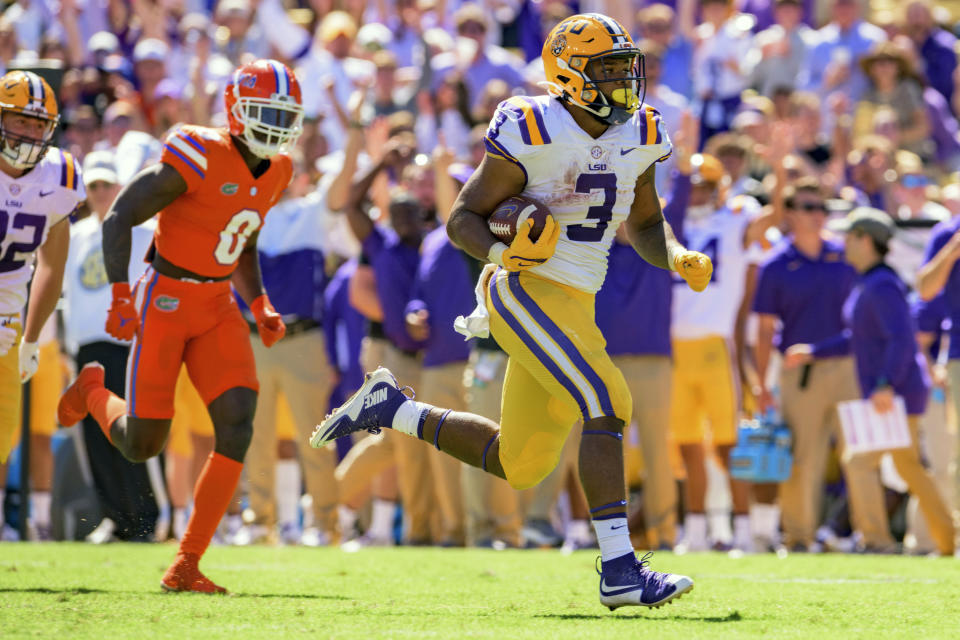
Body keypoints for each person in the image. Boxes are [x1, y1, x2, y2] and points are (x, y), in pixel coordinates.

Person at [312, 14, 707, 609]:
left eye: (626, 66)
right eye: (607, 68)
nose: (623, 79)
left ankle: (394, 409)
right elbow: (462, 218)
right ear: (570, 74)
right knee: (608, 402)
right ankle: (621, 570)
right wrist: (506, 250)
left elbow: (646, 223)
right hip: (522, 290)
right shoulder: (531, 126)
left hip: (576, 300)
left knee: (520, 463)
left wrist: (676, 256)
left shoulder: (642, 130)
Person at [56, 59, 303, 593]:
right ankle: (94, 390)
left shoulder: (278, 170)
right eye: (265, 112)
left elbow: (241, 235)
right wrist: (122, 293)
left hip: (216, 303)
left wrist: (257, 301)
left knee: (238, 421)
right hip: (165, 296)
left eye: (284, 115)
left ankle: (186, 562)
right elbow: (121, 214)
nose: (275, 126)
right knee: (142, 444)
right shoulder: (199, 150)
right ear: (236, 110)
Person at [785, 208, 955, 556]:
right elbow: (858, 337)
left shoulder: (882, 285)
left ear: (865, 240)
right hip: (894, 389)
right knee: (908, 467)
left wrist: (884, 384)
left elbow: (901, 340)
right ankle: (947, 539)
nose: (842, 243)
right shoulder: (870, 282)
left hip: (897, 391)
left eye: (848, 236)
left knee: (859, 462)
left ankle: (878, 540)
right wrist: (815, 351)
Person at [61, 149, 161, 543]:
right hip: (86, 350)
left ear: (121, 186)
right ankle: (116, 519)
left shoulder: (144, 230)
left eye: (107, 184)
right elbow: (69, 291)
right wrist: (67, 348)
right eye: (94, 186)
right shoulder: (76, 234)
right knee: (95, 438)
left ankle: (147, 519)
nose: (101, 192)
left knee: (132, 433)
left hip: (129, 348)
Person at [0, 70, 80, 473]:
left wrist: (31, 339)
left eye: (38, 124)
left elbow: (53, 264)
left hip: (8, 324)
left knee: (2, 441)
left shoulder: (59, 176)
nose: (30, 133)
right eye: (20, 121)